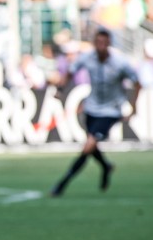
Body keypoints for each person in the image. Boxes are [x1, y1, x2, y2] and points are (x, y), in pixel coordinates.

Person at [50, 29, 140, 197]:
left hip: (111, 110)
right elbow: (70, 71)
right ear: (94, 43)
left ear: (109, 44)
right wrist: (61, 88)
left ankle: (62, 184)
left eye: (104, 43)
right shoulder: (87, 58)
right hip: (91, 108)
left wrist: (134, 107)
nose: (101, 46)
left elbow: (137, 81)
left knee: (89, 145)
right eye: (98, 42)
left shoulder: (120, 62)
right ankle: (106, 166)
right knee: (91, 146)